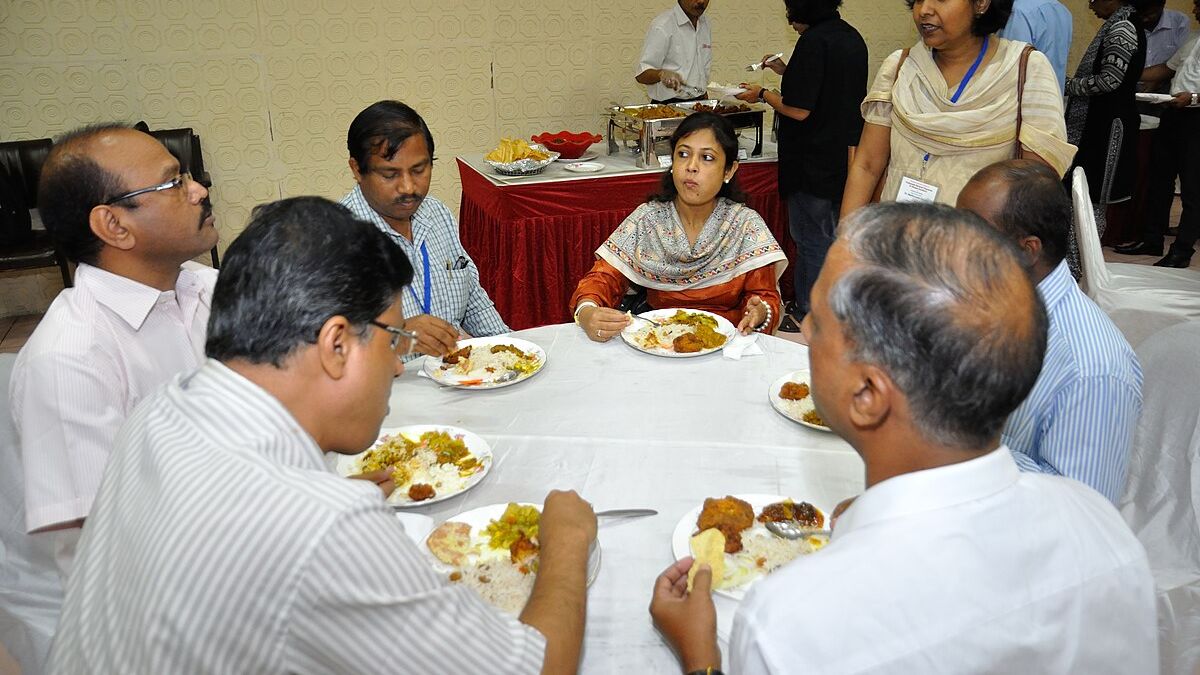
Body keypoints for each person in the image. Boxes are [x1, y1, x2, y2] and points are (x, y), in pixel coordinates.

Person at [48, 197, 597, 674]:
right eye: (392, 340)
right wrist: (567, 543)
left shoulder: (162, 410)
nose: (399, 368)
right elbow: (535, 667)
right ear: (336, 344)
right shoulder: (324, 523)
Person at [648, 201, 1158, 673]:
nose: (801, 330)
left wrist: (701, 658)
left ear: (868, 394)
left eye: (818, 322)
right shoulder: (1101, 526)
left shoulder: (794, 619)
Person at [10, 124, 218, 575]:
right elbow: (109, 550)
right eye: (174, 182)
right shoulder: (70, 360)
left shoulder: (208, 288)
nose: (199, 191)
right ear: (114, 225)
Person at [957, 159, 1142, 503]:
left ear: (1027, 250)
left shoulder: (1091, 370)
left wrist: (951, 440)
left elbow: (1083, 510)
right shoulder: (990, 304)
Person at [841, 0, 1076, 214]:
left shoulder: (1025, 70)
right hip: (894, 242)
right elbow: (868, 166)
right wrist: (846, 242)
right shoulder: (900, 68)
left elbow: (1035, 188)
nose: (924, 10)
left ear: (981, 3)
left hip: (978, 248)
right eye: (919, 0)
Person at [569, 112, 786, 341]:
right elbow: (601, 279)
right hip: (660, 343)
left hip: (727, 347)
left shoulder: (744, 225)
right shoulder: (649, 220)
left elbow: (764, 299)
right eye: (683, 154)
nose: (691, 166)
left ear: (729, 170)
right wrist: (587, 312)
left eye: (707, 158)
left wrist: (760, 313)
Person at [734, 0, 867, 329]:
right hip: (844, 157)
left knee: (811, 238)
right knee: (834, 235)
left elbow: (799, 109)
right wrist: (784, 70)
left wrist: (763, 93)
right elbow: (826, 90)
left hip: (812, 161)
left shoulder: (813, 42)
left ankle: (808, 310)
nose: (789, 18)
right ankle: (833, 308)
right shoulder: (851, 37)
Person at [341, 100, 507, 358]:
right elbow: (322, 347)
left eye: (419, 170)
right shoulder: (337, 241)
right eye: (389, 174)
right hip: (390, 389)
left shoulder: (437, 213)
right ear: (357, 170)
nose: (408, 187)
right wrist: (396, 337)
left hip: (456, 376)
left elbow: (473, 300)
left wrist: (509, 350)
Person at [1115, 0, 1200, 267]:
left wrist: (1195, 97)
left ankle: (1182, 251)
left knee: (1192, 188)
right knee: (1159, 179)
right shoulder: (1193, 39)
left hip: (1197, 117)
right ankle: (1152, 239)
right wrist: (1122, 75)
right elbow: (1165, 69)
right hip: (1173, 113)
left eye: (1199, 5)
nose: (1195, 11)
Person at [1063, 0, 1147, 226]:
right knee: (1080, 196)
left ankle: (1082, 258)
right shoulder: (1120, 23)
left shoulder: (1122, 27)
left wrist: (1068, 86)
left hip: (1107, 126)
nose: (1090, 6)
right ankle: (1077, 257)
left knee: (1088, 198)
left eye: (1093, 0)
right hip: (1101, 120)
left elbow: (1110, 80)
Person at [636, 0, 713, 103]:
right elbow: (641, 75)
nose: (701, 1)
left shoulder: (705, 23)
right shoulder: (663, 25)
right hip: (667, 108)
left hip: (700, 103)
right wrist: (661, 74)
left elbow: (702, 72)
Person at [999, 0, 1072, 90]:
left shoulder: (1020, 11)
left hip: (1025, 97)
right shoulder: (1063, 12)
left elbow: (1012, 68)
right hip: (1053, 97)